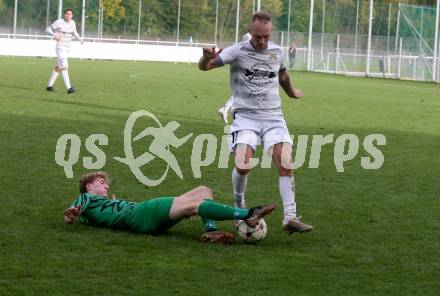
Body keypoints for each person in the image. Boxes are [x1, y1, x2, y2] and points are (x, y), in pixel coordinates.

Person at [198, 11, 313, 234]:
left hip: (273, 117)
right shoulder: (237, 51)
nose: (262, 41)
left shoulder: (277, 52)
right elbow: (206, 66)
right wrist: (205, 57)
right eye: (258, 36)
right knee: (243, 164)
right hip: (246, 117)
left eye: (266, 37)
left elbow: (283, 76)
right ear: (250, 32)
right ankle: (239, 207)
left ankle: (290, 217)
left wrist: (291, 92)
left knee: (286, 163)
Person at [63, 171, 277, 244]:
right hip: (142, 213)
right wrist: (71, 214)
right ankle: (250, 213)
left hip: (143, 217)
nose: (107, 185)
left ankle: (210, 231)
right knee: (197, 204)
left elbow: (83, 215)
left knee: (203, 190)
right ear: (88, 186)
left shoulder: (96, 204)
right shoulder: (86, 199)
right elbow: (72, 213)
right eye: (101, 183)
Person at [45, 8, 83, 94]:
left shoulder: (73, 22)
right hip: (60, 47)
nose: (68, 15)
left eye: (70, 14)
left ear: (72, 15)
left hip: (67, 48)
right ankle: (69, 88)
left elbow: (75, 32)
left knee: (58, 67)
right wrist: (55, 34)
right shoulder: (59, 22)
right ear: (64, 15)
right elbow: (47, 29)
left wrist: (80, 39)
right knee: (64, 66)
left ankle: (49, 86)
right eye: (67, 14)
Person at [217, 31, 252, 125]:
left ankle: (226, 109)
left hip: (240, 71)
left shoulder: (243, 42)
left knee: (241, 94)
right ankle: (227, 110)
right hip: (245, 72)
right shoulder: (249, 38)